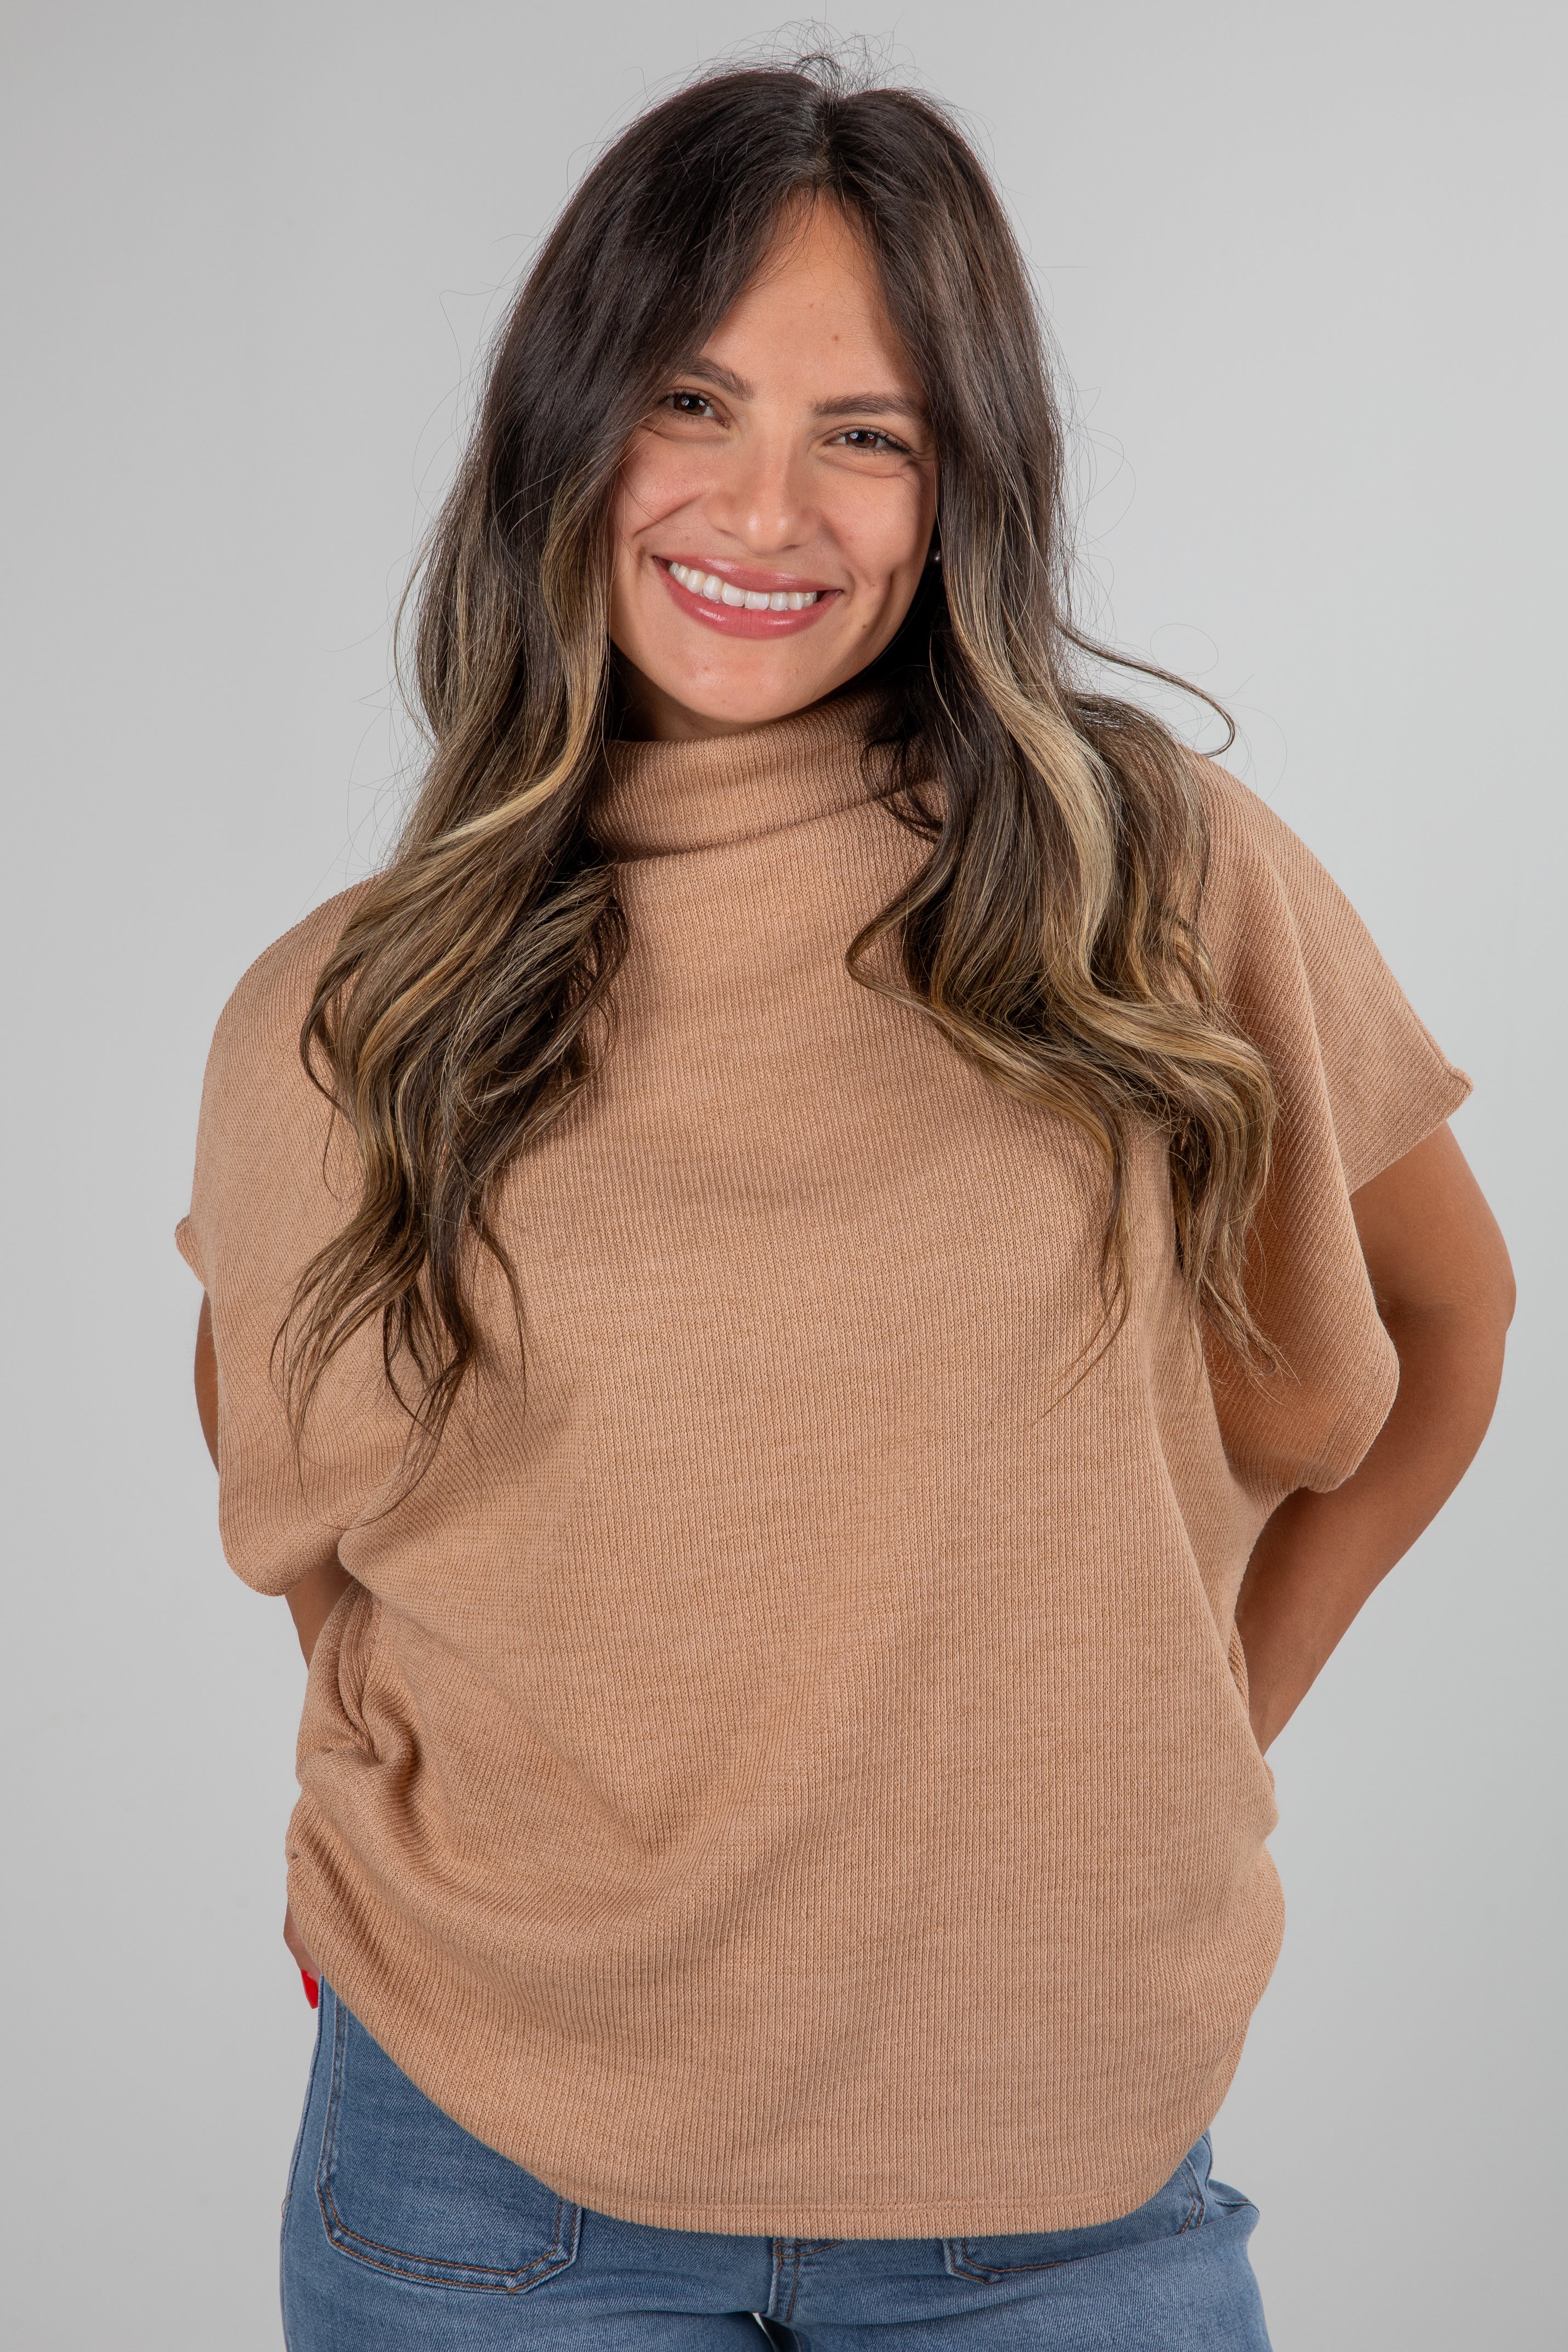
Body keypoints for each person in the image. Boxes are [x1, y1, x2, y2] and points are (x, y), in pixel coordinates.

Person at [179, 58, 1513, 2352]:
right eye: (690, 398)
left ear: (960, 482)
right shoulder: (348, 1006)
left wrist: (1208, 1720)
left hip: (1068, 2169)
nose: (763, 506)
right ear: (568, 428)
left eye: (867, 431)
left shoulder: (1147, 874)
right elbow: (309, 1514)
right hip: (489, 2185)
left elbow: (1445, 1322)